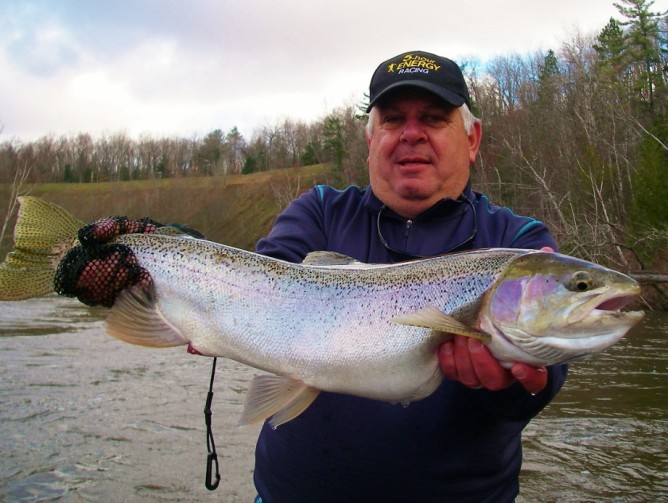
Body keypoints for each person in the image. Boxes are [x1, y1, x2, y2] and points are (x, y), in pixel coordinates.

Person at [58, 50, 568, 502]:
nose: (411, 133)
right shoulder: (321, 210)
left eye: (433, 118)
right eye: (393, 120)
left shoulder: (517, 241)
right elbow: (261, 278)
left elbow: (544, 378)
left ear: (472, 138)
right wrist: (179, 256)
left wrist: (510, 386)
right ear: (371, 140)